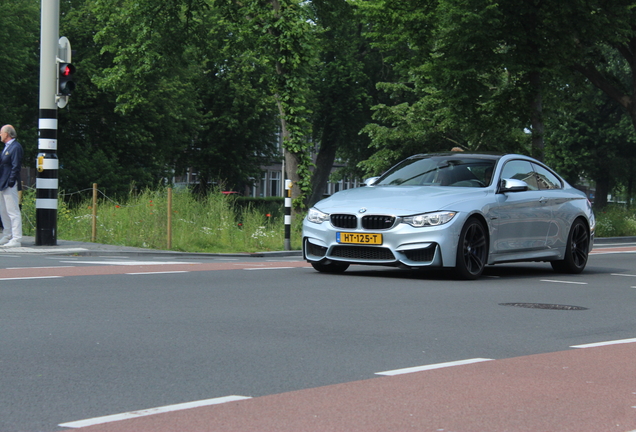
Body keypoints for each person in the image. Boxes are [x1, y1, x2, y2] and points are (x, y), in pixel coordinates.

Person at [0, 124, 24, 248]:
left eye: (1, 132)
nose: (0, 135)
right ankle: (7, 234)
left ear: (7, 134)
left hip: (9, 183)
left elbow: (16, 165)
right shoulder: (6, 147)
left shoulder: (15, 147)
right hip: (2, 183)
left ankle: (16, 238)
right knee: (3, 210)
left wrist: (11, 181)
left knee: (12, 210)